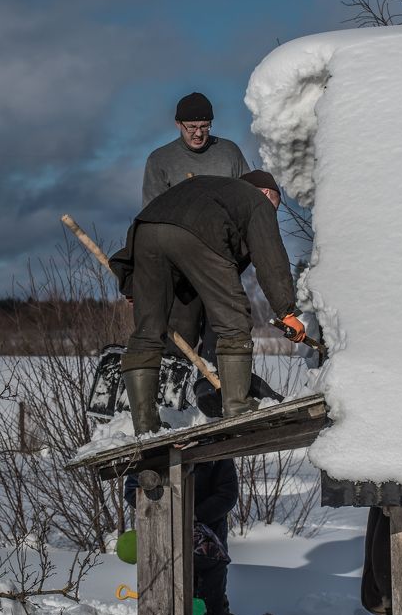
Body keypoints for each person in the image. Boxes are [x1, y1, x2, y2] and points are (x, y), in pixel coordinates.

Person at [110, 170, 305, 433]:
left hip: (145, 229)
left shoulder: (204, 188)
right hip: (200, 230)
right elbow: (271, 258)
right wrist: (286, 311)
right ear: (268, 193)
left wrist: (133, 285)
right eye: (276, 207)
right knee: (234, 319)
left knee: (147, 331)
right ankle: (238, 405)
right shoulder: (256, 199)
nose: (273, 214)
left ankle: (145, 425)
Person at [142, 92, 250, 364]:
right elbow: (151, 220)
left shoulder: (229, 153)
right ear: (178, 124)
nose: (199, 134)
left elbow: (249, 205)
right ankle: (173, 402)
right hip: (181, 271)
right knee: (179, 340)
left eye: (205, 127)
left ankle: (218, 397)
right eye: (192, 128)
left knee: (225, 337)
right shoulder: (161, 160)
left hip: (223, 265)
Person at [124, 458, 239, 615]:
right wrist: (162, 509)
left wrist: (192, 515)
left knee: (209, 601)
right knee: (168, 601)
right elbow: (132, 490)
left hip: (208, 548)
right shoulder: (150, 452)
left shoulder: (216, 452)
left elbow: (227, 494)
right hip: (164, 543)